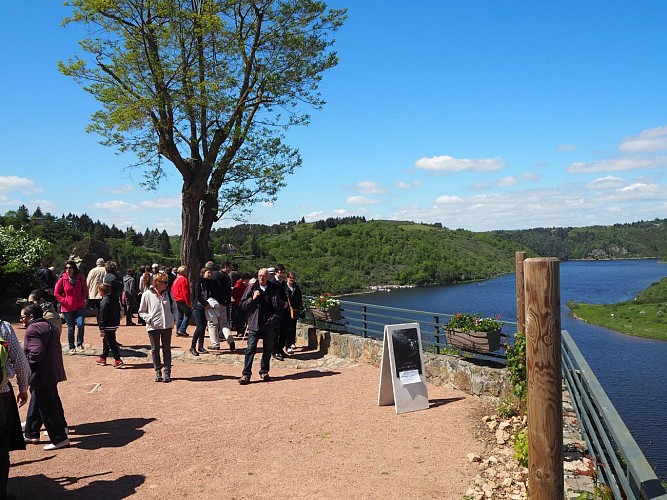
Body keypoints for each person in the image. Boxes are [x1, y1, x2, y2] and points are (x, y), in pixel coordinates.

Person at [20, 304, 69, 451]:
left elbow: (36, 351)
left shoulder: (32, 329)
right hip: (52, 371)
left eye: (23, 317)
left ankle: (59, 438)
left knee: (48, 408)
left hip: (41, 373)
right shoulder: (49, 325)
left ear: (31, 317)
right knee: (40, 402)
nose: (21, 320)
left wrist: (26, 364)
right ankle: (32, 433)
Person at [238, 268, 283, 385]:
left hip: (268, 324)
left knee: (268, 349)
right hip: (254, 323)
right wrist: (252, 299)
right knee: (250, 349)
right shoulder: (251, 288)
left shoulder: (273, 289)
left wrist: (273, 320)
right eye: (259, 276)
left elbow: (279, 308)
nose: (261, 278)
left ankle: (264, 371)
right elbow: (242, 305)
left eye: (263, 276)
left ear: (268, 277)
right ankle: (246, 374)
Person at [0, 319, 30, 498]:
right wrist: (23, 389)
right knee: (1, 447)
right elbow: (22, 364)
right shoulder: (3, 327)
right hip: (2, 395)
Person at [138, 272, 178, 383]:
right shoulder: (147, 294)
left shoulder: (169, 294)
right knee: (155, 349)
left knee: (167, 349)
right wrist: (148, 319)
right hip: (153, 325)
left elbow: (174, 308)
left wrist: (174, 318)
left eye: (167, 282)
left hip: (167, 325)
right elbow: (142, 311)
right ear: (157, 283)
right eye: (164, 282)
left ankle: (167, 371)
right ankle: (158, 371)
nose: (166, 284)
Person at [54, 260, 87, 354]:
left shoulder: (80, 279)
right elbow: (56, 293)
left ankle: (80, 343)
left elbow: (84, 290)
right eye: (66, 268)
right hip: (67, 308)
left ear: (74, 269)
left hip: (79, 306)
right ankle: (71, 346)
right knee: (71, 327)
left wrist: (82, 299)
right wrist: (64, 301)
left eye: (70, 268)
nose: (68, 269)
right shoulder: (62, 280)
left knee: (80, 324)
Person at [96, 283, 124, 368]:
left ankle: (118, 359)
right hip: (114, 323)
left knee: (111, 342)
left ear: (101, 291)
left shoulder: (104, 301)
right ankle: (103, 357)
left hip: (108, 324)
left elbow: (102, 315)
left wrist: (101, 328)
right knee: (106, 341)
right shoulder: (114, 299)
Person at [191, 267, 214, 356]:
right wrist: (205, 303)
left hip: (206, 307)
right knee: (200, 326)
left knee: (203, 327)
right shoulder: (198, 283)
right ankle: (192, 346)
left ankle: (200, 346)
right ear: (203, 273)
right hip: (197, 307)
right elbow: (198, 296)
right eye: (208, 273)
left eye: (211, 273)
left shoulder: (209, 283)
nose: (210, 274)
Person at [271, 264, 289, 361]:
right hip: (276, 310)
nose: (281, 274)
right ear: (276, 272)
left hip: (284, 310)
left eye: (283, 272)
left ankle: (280, 349)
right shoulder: (273, 283)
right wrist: (283, 303)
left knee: (284, 330)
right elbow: (274, 297)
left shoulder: (283, 283)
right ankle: (274, 351)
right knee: (275, 332)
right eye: (280, 272)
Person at [284, 271, 303, 355]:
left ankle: (292, 342)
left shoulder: (296, 287)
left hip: (294, 310)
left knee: (293, 327)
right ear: (287, 278)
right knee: (287, 328)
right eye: (290, 278)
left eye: (293, 278)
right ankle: (287, 345)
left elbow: (299, 298)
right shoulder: (284, 287)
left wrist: (299, 307)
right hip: (286, 310)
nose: (291, 280)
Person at [171, 266, 191, 337]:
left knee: (180, 315)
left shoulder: (177, 279)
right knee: (188, 314)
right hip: (181, 299)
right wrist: (188, 302)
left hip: (176, 299)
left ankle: (178, 330)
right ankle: (182, 329)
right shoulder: (183, 279)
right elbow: (185, 292)